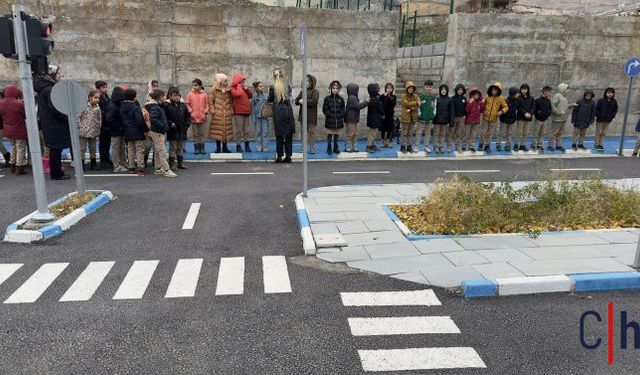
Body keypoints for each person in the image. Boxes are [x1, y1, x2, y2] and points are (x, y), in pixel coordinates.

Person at [34, 65, 71, 180]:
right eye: (58, 74)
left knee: (54, 149)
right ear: (52, 75)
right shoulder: (50, 90)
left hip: (49, 123)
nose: (60, 76)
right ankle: (56, 174)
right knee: (56, 149)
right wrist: (67, 117)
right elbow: (55, 109)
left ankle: (56, 172)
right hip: (54, 124)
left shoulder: (44, 89)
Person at [146, 89, 176, 177]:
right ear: (160, 97)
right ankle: (167, 170)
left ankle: (158, 168)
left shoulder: (159, 106)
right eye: (163, 96)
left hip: (158, 131)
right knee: (162, 151)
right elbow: (153, 118)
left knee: (158, 150)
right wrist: (163, 125)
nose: (164, 98)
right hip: (157, 131)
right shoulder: (156, 107)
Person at [269, 68, 295, 163]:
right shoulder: (287, 85)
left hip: (278, 113)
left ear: (274, 77)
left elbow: (270, 99)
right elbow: (290, 93)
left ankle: (279, 156)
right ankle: (288, 156)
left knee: (279, 136)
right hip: (288, 112)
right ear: (282, 76)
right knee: (288, 135)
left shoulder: (272, 86)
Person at [120, 88, 148, 175]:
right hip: (137, 131)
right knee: (140, 150)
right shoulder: (135, 107)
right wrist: (145, 129)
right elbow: (139, 120)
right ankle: (140, 168)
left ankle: (131, 167)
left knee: (130, 150)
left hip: (127, 131)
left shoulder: (122, 107)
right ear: (134, 97)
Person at [0, 85, 27, 174]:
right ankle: (19, 167)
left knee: (13, 147)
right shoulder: (19, 104)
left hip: (8, 129)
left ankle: (12, 164)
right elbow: (24, 115)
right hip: (19, 128)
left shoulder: (1, 103)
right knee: (20, 147)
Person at [165, 86, 191, 170]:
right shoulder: (167, 105)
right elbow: (164, 117)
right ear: (170, 96)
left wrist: (187, 124)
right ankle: (171, 164)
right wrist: (170, 123)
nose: (177, 97)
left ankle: (180, 163)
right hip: (172, 131)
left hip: (182, 130)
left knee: (180, 148)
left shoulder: (182, 105)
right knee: (173, 148)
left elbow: (188, 116)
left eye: (178, 95)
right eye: (175, 95)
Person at [209, 74, 234, 154]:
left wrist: (231, 110)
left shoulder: (228, 90)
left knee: (226, 131)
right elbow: (210, 101)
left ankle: (225, 147)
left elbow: (231, 101)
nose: (226, 82)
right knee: (218, 131)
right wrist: (213, 111)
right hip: (218, 114)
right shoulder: (213, 90)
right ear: (220, 81)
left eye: (227, 80)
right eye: (225, 81)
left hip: (226, 113)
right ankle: (218, 147)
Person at [78, 89, 102, 170]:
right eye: (95, 97)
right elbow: (78, 116)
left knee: (93, 148)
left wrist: (98, 127)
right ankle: (81, 165)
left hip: (94, 131)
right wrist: (80, 126)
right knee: (82, 148)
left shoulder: (98, 108)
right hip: (83, 131)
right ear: (90, 97)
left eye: (98, 98)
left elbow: (99, 119)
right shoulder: (83, 106)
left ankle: (93, 164)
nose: (97, 100)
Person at [480, 82, 508, 153]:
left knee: (490, 132)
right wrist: (484, 110)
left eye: (496, 90)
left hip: (494, 119)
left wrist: (501, 111)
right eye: (493, 90)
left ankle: (487, 145)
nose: (494, 91)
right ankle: (481, 144)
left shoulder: (501, 98)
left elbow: (506, 107)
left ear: (499, 91)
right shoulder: (487, 97)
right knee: (483, 132)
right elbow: (482, 105)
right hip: (485, 118)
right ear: (491, 90)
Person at [295, 74, 319, 154]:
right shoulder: (302, 91)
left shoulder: (315, 92)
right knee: (303, 132)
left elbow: (314, 101)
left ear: (311, 82)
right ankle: (303, 147)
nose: (306, 82)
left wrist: (304, 101)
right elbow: (296, 101)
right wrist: (299, 101)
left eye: (307, 81)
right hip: (303, 116)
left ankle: (312, 147)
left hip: (311, 116)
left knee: (311, 132)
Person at [105, 86, 128, 173]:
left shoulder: (115, 104)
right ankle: (117, 166)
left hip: (118, 130)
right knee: (116, 148)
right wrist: (119, 126)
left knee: (121, 147)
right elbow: (109, 119)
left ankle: (122, 164)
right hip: (115, 131)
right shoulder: (113, 106)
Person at [230, 73, 253, 153]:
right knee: (239, 130)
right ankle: (238, 145)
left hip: (246, 112)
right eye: (242, 82)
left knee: (246, 130)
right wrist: (239, 86)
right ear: (238, 82)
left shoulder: (243, 88)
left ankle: (247, 145)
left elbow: (250, 95)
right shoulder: (233, 88)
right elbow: (237, 94)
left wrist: (246, 89)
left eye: (243, 82)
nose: (243, 83)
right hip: (238, 112)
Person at [186, 78, 209, 155]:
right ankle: (196, 148)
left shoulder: (204, 95)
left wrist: (205, 111)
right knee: (195, 134)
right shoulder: (190, 94)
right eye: (193, 85)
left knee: (202, 133)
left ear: (200, 86)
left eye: (196, 85)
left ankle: (202, 148)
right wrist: (191, 111)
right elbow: (187, 104)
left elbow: (207, 104)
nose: (194, 87)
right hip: (193, 118)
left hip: (202, 117)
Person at [343, 83, 368, 152]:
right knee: (350, 133)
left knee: (355, 133)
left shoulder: (353, 97)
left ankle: (354, 145)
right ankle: (347, 146)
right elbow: (358, 106)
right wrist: (366, 102)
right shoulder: (352, 98)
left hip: (354, 119)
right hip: (350, 119)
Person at [323, 80, 346, 155]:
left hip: (338, 121)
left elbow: (343, 109)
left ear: (338, 90)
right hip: (330, 120)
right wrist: (329, 114)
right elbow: (325, 109)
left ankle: (335, 147)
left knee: (336, 134)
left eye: (336, 88)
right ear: (330, 89)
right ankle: (329, 147)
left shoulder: (341, 99)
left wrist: (341, 115)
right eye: (333, 88)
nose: (335, 90)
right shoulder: (327, 99)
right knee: (330, 134)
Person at [433, 84, 455, 153]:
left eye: (445, 90)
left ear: (447, 91)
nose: (443, 91)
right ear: (440, 91)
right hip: (437, 120)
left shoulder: (450, 99)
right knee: (436, 134)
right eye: (442, 89)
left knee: (443, 134)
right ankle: (436, 146)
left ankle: (441, 146)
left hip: (445, 121)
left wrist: (451, 122)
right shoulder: (437, 99)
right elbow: (434, 110)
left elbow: (451, 111)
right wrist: (433, 120)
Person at [549, 83, 571, 152]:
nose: (568, 90)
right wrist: (557, 112)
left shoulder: (565, 97)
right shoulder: (557, 96)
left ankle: (558, 145)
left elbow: (565, 106)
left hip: (563, 119)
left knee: (560, 133)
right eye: (567, 89)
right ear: (562, 89)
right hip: (557, 118)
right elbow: (552, 105)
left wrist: (571, 105)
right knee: (554, 132)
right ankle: (550, 145)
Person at [95, 80, 112, 169]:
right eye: (103, 87)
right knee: (102, 142)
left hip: (107, 123)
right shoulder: (98, 98)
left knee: (107, 142)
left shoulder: (106, 97)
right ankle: (103, 160)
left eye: (106, 87)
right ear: (98, 89)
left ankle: (107, 158)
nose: (106, 89)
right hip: (102, 124)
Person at [497, 87, 519, 152]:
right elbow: (501, 109)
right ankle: (498, 145)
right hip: (504, 120)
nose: (518, 94)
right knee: (501, 133)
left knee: (509, 134)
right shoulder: (506, 101)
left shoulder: (517, 100)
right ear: (513, 94)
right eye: (517, 93)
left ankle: (508, 145)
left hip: (512, 121)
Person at [531, 86, 553, 151]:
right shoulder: (537, 100)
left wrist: (547, 114)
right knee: (536, 133)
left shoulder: (549, 101)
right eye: (549, 91)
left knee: (542, 134)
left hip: (545, 120)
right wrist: (538, 115)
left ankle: (539, 145)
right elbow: (534, 110)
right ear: (545, 91)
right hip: (538, 120)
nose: (550, 93)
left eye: (550, 92)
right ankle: (533, 145)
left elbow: (550, 110)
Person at [464, 87, 485, 152]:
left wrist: (483, 103)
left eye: (478, 95)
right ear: (472, 95)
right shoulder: (469, 101)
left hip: (476, 121)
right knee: (466, 134)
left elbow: (482, 110)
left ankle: (471, 146)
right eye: (475, 95)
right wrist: (470, 102)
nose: (476, 96)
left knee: (473, 135)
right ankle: (464, 146)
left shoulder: (479, 103)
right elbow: (467, 110)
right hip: (469, 121)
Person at [400, 81, 419, 153]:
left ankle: (409, 146)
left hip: (412, 117)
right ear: (407, 88)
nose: (411, 89)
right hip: (405, 117)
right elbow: (406, 103)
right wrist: (416, 103)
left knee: (410, 133)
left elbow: (417, 106)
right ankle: (402, 147)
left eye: (412, 88)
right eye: (409, 88)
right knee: (404, 133)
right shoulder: (403, 96)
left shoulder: (415, 96)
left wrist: (411, 108)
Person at [514, 83, 534, 152]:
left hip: (528, 118)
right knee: (518, 132)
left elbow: (533, 107)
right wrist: (525, 113)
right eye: (522, 89)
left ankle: (522, 145)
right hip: (520, 117)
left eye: (525, 89)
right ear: (520, 89)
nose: (524, 90)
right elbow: (518, 107)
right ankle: (516, 144)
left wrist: (530, 113)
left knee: (525, 132)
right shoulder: (518, 97)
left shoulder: (531, 98)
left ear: (528, 89)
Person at [417, 81, 436, 153]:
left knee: (428, 133)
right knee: (419, 133)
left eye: (430, 87)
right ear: (424, 87)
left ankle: (426, 146)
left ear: (432, 88)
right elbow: (418, 107)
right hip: (422, 118)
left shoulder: (433, 97)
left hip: (429, 118)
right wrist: (419, 114)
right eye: (427, 87)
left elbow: (434, 107)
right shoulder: (420, 96)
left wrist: (433, 114)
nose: (429, 88)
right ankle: (416, 146)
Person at [251, 81, 270, 153]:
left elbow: (269, 107)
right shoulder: (254, 97)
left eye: (262, 86)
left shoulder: (266, 96)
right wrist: (253, 118)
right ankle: (259, 146)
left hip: (265, 117)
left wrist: (269, 118)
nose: (262, 87)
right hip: (257, 117)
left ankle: (265, 146)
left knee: (265, 132)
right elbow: (252, 108)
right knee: (258, 132)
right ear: (256, 88)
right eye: (260, 86)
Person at [365, 83, 384, 153]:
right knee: (373, 133)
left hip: (371, 119)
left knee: (372, 132)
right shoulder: (376, 98)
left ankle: (372, 145)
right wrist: (383, 114)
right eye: (377, 88)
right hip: (374, 119)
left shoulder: (372, 97)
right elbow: (379, 108)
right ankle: (369, 146)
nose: (378, 89)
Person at [450, 83, 467, 152]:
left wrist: (465, 115)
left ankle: (458, 146)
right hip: (454, 117)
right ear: (456, 90)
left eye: (461, 90)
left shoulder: (464, 99)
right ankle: (449, 146)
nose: (460, 91)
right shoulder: (452, 98)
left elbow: (465, 108)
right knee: (451, 132)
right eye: (459, 90)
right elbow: (451, 109)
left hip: (461, 118)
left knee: (458, 133)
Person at [380, 83, 397, 148]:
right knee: (383, 129)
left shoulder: (394, 97)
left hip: (390, 115)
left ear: (392, 89)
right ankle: (382, 141)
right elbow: (381, 105)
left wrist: (389, 97)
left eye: (390, 88)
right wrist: (384, 97)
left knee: (389, 129)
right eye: (388, 88)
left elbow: (393, 104)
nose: (389, 89)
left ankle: (387, 141)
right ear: (385, 89)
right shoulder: (382, 96)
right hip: (383, 115)